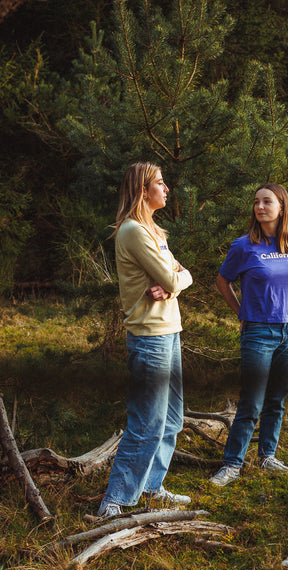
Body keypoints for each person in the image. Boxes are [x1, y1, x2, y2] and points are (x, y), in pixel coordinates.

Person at [98, 162, 194, 518]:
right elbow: (173, 280)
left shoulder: (156, 232)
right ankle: (115, 500)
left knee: (171, 419)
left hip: (170, 333)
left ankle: (152, 487)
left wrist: (175, 282)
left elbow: (183, 276)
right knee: (146, 422)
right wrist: (174, 282)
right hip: (149, 338)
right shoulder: (134, 231)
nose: (166, 188)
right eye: (160, 183)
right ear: (142, 190)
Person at [210, 183, 288, 487]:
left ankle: (267, 456)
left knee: (277, 398)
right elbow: (222, 281)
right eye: (256, 202)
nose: (260, 207)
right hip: (258, 331)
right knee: (251, 401)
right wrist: (240, 310)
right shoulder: (243, 246)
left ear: (282, 207)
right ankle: (232, 465)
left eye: (267, 201)